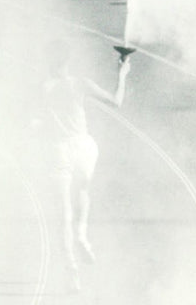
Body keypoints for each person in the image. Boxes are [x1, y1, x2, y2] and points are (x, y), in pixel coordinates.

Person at [39, 43, 131, 288]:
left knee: (62, 214)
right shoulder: (79, 83)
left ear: (49, 63)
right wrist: (122, 74)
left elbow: (33, 121)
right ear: (68, 62)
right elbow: (116, 101)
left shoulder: (43, 89)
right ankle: (82, 236)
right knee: (82, 192)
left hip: (58, 150)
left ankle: (72, 273)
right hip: (83, 148)